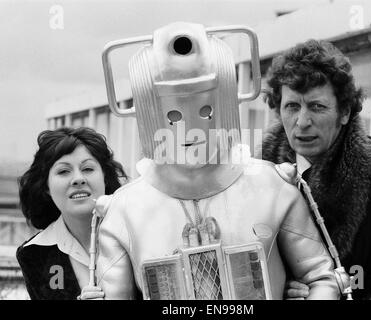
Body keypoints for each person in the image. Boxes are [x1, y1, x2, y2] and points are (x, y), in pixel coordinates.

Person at [94, 22, 340, 300]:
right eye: (173, 116)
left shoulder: (273, 187)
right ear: (150, 113)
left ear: (225, 104)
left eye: (206, 111)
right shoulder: (124, 210)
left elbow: (322, 278)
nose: (189, 128)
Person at [262, 39, 371, 299]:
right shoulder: (261, 173)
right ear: (278, 110)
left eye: (317, 106)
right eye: (292, 106)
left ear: (344, 112)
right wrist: (281, 286)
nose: (302, 122)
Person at [16, 127, 127, 300]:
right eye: (63, 171)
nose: (78, 178)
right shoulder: (34, 253)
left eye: (88, 169)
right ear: (46, 186)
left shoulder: (135, 230)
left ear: (104, 176)